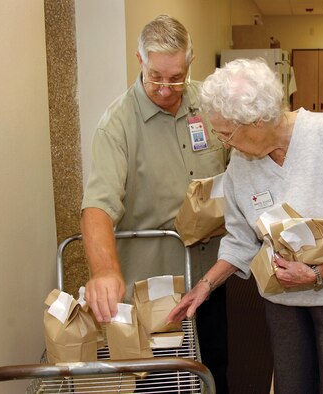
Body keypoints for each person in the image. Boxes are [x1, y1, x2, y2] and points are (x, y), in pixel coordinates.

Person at [168, 58, 323, 394]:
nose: (225, 143)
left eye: (228, 133)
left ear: (256, 121)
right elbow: (240, 238)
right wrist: (205, 285)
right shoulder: (241, 166)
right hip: (284, 303)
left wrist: (319, 272)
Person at [80, 14, 229, 393]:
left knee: (213, 374)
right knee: (162, 383)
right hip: (154, 292)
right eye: (155, 77)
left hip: (209, 280)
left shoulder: (208, 106)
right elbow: (97, 206)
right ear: (139, 60)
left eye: (176, 77)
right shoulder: (117, 126)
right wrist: (104, 271)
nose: (165, 88)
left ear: (190, 63)